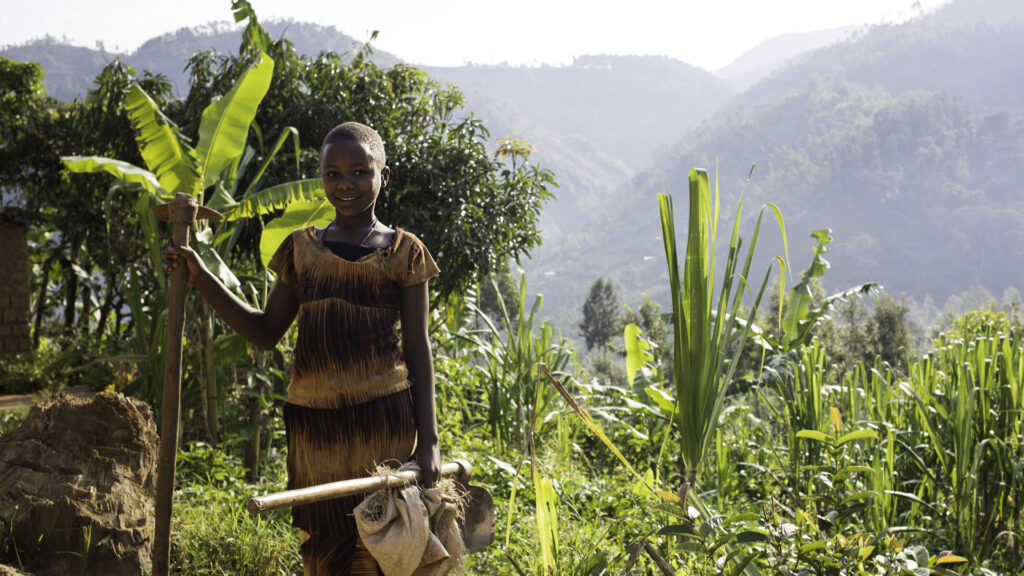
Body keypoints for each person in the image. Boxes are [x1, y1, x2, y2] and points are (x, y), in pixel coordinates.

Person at [163, 121, 440, 575]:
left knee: (383, 547)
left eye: (358, 172)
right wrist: (201, 277)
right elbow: (264, 331)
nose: (345, 183)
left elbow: (418, 350)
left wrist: (428, 442)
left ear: (382, 177)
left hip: (383, 423)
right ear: (321, 179)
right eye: (332, 174)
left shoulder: (405, 252)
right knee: (322, 551)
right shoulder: (301, 251)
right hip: (314, 430)